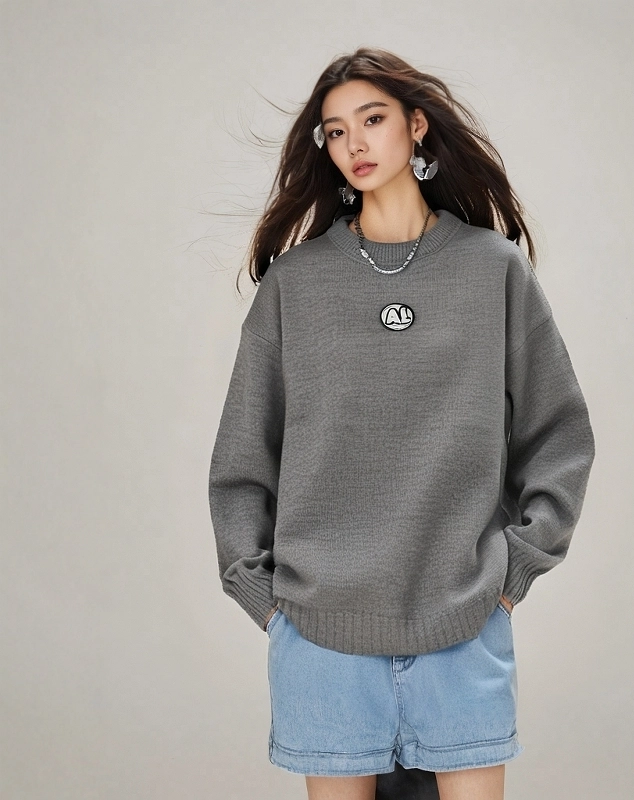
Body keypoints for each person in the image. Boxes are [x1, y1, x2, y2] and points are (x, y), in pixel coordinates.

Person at [208, 46, 596, 800]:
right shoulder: (296, 284)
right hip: (321, 636)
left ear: (416, 126)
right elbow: (242, 458)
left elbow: (560, 435)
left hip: (463, 625)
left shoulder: (492, 269)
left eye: (373, 119)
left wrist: (513, 573)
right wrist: (267, 601)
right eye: (335, 131)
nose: (354, 143)